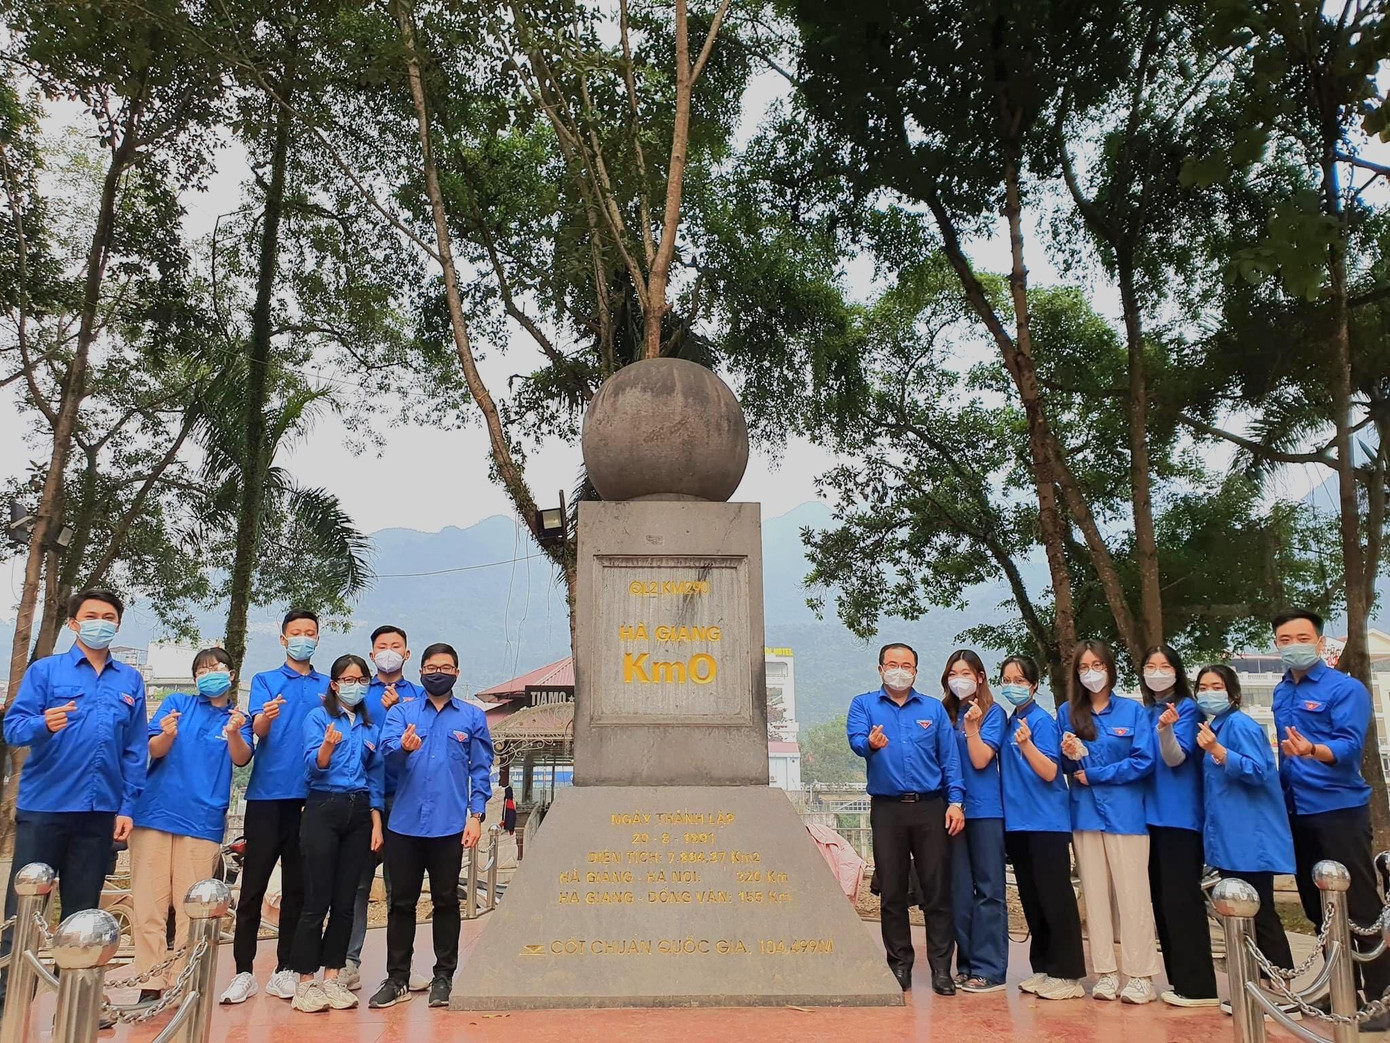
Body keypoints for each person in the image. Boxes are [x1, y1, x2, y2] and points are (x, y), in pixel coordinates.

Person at [0, 590, 147, 1006]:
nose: (101, 622)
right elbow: (13, 728)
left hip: (99, 815)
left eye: (109, 616)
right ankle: (8, 1003)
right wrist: (42, 724)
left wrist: (128, 807)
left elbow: (135, 750)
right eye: (91, 615)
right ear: (74, 624)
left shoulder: (129, 681)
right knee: (26, 911)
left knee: (83, 917)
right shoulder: (46, 672)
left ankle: (78, 1005)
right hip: (45, 808)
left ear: (117, 625)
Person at [1270, 609, 1390, 1030]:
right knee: (1317, 905)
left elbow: (1349, 746)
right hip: (1296, 811)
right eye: (1284, 639)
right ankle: (1339, 987)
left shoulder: (1345, 689)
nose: (1293, 645)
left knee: (1358, 904)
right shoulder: (1281, 692)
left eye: (1302, 637)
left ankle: (1381, 996)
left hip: (1338, 809)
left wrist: (1312, 751)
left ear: (1320, 642)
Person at [373, 642, 494, 1010]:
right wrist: (404, 749)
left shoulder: (473, 717)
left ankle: (444, 976)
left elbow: (480, 771)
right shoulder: (401, 713)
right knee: (401, 904)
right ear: (421, 672)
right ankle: (396, 978)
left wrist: (475, 817)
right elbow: (385, 757)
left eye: (445, 666)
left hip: (449, 827)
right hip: (405, 825)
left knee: (445, 902)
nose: (437, 672)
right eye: (430, 666)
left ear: (456, 673)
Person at [129, 647, 252, 1005]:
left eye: (216, 667)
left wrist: (233, 732)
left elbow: (242, 758)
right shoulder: (176, 703)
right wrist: (167, 734)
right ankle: (150, 983)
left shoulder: (236, 718)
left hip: (202, 821)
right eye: (201, 669)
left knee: (191, 909)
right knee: (149, 904)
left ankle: (183, 981)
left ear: (231, 674)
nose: (209, 673)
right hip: (154, 814)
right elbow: (153, 749)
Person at [221, 609, 329, 1005]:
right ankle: (243, 972)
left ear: (318, 639)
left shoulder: (327, 685)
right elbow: (256, 734)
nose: (304, 638)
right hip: (267, 797)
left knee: (297, 890)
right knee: (252, 888)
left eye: (310, 633)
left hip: (312, 797)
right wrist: (265, 718)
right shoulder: (265, 681)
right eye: (296, 633)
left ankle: (285, 969)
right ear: (283, 639)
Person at [847, 642, 965, 995]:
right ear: (880, 668)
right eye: (892, 664)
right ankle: (899, 965)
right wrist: (870, 743)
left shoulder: (932, 708)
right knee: (893, 892)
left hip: (931, 807)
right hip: (887, 809)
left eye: (907, 665)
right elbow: (855, 741)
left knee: (937, 891)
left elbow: (950, 759)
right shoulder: (864, 704)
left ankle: (942, 970)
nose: (900, 670)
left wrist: (955, 801)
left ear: (916, 670)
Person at [1191, 664, 1302, 1020]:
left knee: (1261, 912)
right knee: (1242, 917)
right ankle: (1254, 988)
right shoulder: (1214, 728)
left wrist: (1219, 751)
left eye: (1216, 686)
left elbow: (1259, 771)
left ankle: (1282, 991)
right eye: (1203, 686)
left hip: (1250, 839)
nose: (1209, 692)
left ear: (1233, 693)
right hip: (1227, 839)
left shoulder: (1240, 726)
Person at [1058, 639, 1160, 1004]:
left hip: (1126, 816)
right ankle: (1105, 972)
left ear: (1110, 669)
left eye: (1097, 666)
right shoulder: (1067, 711)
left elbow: (1144, 761)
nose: (1091, 673)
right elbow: (1066, 767)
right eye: (1084, 667)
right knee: (1095, 897)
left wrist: (1097, 774)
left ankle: (1140, 975)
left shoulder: (1133, 713)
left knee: (1134, 896)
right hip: (1085, 815)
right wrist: (1070, 757)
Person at [289, 654, 385, 1013]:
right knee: (317, 900)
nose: (354, 684)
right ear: (334, 684)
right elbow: (313, 767)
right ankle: (305, 981)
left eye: (361, 679)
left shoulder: (369, 725)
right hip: (323, 807)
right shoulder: (318, 718)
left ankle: (332, 977)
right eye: (347, 679)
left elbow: (374, 777)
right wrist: (327, 746)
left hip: (358, 812)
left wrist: (376, 822)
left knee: (346, 902)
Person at [342, 625, 428, 993]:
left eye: (396, 646)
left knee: (401, 888)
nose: (389, 651)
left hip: (406, 799)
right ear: (372, 652)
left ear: (407, 654)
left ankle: (401, 970)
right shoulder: (358, 693)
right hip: (363, 798)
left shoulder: (421, 696)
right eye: (382, 646)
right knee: (357, 883)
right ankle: (348, 962)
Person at [998, 654, 1086, 1002]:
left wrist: (1026, 744)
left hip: (1046, 823)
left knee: (1055, 898)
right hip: (1018, 824)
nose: (1013, 686)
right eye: (1007, 679)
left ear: (1034, 686)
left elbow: (1051, 771)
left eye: (1020, 680)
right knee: (1033, 899)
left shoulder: (1042, 722)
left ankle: (1069, 974)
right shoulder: (1009, 721)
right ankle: (1044, 968)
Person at [1140, 644, 1217, 1008]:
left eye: (1164, 665)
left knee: (1181, 900)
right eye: (1150, 666)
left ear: (1177, 670)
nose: (1157, 672)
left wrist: (1165, 731)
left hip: (1179, 819)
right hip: (1150, 818)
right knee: (1162, 902)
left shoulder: (1186, 709)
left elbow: (1175, 758)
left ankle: (1199, 985)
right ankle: (1179, 981)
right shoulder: (1146, 710)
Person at [941, 649, 1007, 994]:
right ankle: (966, 965)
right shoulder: (943, 713)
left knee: (989, 890)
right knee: (959, 892)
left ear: (980, 676)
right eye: (953, 673)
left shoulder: (993, 714)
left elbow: (981, 760)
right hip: (953, 812)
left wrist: (971, 727)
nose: (959, 679)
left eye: (966, 672)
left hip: (985, 812)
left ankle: (990, 969)